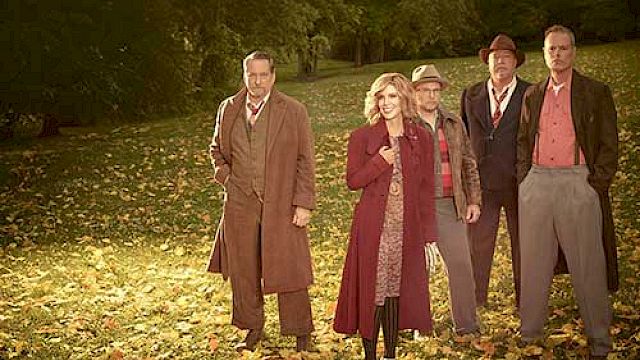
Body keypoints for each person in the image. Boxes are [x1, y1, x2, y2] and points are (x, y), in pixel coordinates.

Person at [517, 25, 619, 359]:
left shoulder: (595, 91)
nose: (557, 54)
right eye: (551, 49)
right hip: (538, 183)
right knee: (533, 262)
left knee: (588, 264)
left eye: (563, 48)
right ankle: (529, 332)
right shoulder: (533, 94)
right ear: (544, 54)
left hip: (578, 182)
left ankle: (600, 339)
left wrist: (595, 184)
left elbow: (608, 143)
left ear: (573, 51)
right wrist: (525, 180)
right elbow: (522, 141)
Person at [206, 50, 316, 352]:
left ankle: (300, 331)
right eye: (251, 75)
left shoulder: (293, 111)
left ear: (273, 76)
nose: (257, 81)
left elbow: (305, 159)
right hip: (239, 204)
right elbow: (216, 150)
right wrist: (227, 178)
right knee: (243, 269)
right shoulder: (228, 108)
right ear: (244, 75)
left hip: (281, 200)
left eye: (263, 75)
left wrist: (303, 202)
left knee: (290, 267)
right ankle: (251, 328)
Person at [333, 73, 437, 360]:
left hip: (406, 228)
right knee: (373, 289)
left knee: (395, 289)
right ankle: (370, 355)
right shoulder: (362, 136)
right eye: (381, 96)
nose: (386, 102)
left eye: (392, 96)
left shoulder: (421, 137)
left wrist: (429, 237)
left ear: (404, 99)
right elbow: (352, 181)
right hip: (372, 227)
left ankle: (391, 353)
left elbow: (427, 189)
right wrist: (380, 161)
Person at [460, 34, 531, 308]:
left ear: (515, 62)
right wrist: (466, 181)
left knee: (523, 244)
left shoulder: (530, 93)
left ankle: (525, 299)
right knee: (478, 243)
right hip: (481, 184)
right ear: (487, 62)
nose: (500, 61)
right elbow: (463, 138)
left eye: (506, 57)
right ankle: (477, 299)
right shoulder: (471, 94)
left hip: (519, 182)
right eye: (495, 57)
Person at [412, 64, 482, 335]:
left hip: (450, 204)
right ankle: (420, 325)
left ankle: (467, 325)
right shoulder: (405, 124)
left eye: (435, 90)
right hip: (418, 206)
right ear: (414, 93)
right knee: (419, 268)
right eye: (425, 91)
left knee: (461, 265)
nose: (431, 96)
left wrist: (473, 200)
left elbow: (468, 162)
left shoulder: (453, 123)